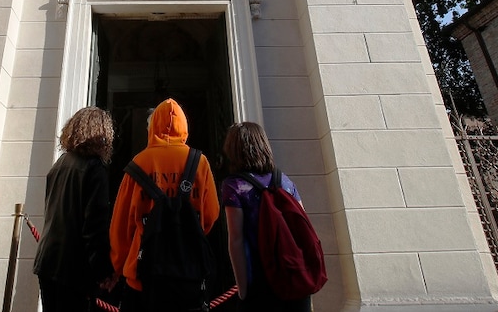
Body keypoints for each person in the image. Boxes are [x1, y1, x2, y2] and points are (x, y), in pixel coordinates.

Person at [110, 98, 220, 312]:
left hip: (143, 275)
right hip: (188, 273)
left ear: (152, 128)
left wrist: (118, 266)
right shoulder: (200, 162)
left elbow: (121, 225)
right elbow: (212, 214)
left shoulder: (138, 163)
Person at [33, 107, 118, 312]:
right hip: (72, 268)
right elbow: (94, 227)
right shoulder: (94, 169)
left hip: (48, 261)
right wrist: (104, 272)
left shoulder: (60, 164)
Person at [221, 121, 311, 312]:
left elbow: (236, 240)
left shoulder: (234, 186)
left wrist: (243, 290)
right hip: (295, 276)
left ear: (233, 150)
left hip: (262, 282)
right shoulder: (284, 180)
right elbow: (304, 225)